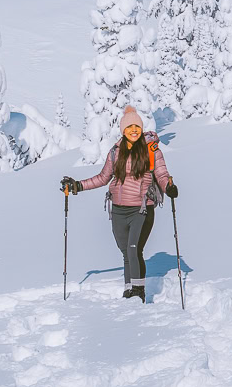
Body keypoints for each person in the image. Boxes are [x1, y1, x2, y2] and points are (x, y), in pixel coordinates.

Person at [62, 106, 178, 302]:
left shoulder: (152, 150)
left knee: (134, 249)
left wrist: (168, 187)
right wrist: (77, 186)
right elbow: (103, 177)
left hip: (142, 209)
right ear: (123, 130)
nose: (134, 130)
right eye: (129, 126)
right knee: (125, 251)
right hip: (118, 210)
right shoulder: (115, 152)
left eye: (137, 126)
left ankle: (138, 292)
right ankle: (128, 289)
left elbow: (161, 174)